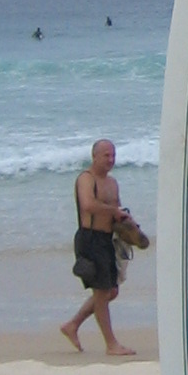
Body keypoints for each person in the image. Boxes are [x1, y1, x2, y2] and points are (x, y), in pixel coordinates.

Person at [61, 140, 141, 357]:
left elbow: (116, 211)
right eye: (106, 155)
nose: (111, 160)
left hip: (108, 240)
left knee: (111, 291)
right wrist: (113, 211)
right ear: (94, 156)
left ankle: (73, 325)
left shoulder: (113, 183)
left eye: (113, 155)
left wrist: (128, 224)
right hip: (90, 239)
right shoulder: (86, 179)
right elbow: (88, 205)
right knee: (102, 292)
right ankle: (111, 344)